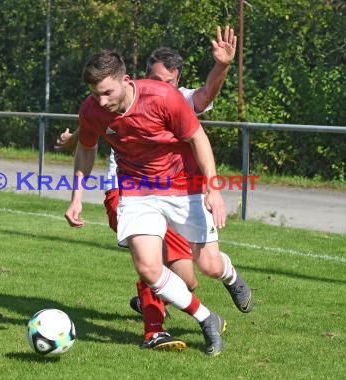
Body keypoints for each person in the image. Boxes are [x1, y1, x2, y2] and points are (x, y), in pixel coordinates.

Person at [59, 26, 253, 351]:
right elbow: (87, 145)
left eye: (107, 93)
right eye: (96, 95)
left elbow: (198, 137)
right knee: (149, 267)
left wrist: (214, 188)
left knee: (206, 268)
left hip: (183, 187)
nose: (102, 101)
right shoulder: (93, 108)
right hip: (136, 191)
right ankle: (203, 319)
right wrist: (76, 196)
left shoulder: (165, 98)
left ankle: (230, 276)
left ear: (125, 80)